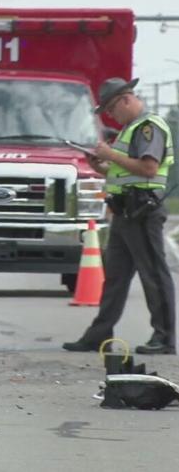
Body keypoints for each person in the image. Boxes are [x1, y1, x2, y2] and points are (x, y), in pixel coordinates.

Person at [63, 77, 176, 355]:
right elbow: (125, 172)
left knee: (154, 275)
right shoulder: (129, 129)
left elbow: (148, 169)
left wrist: (111, 155)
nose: (111, 116)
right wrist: (101, 166)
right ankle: (98, 335)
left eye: (112, 109)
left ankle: (164, 337)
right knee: (114, 277)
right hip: (125, 212)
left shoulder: (148, 128)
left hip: (142, 212)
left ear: (126, 99)